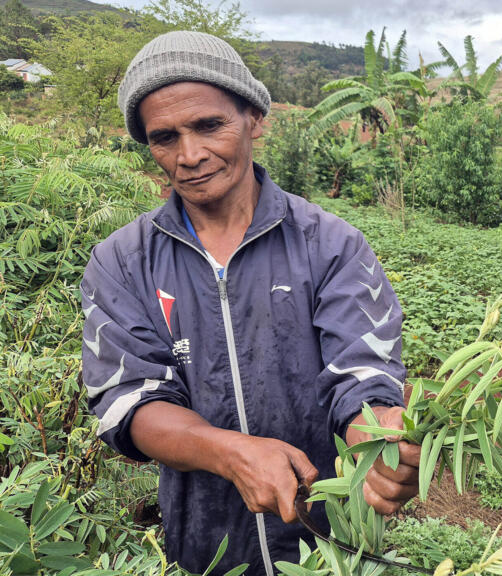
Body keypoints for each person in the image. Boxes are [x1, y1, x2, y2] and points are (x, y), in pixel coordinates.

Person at [81, 31, 417, 575]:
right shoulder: (122, 261)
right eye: (164, 137)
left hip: (331, 538)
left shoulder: (330, 245)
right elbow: (129, 400)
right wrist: (231, 453)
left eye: (209, 125)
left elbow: (362, 371)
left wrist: (375, 434)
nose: (189, 155)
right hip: (203, 544)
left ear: (254, 119)